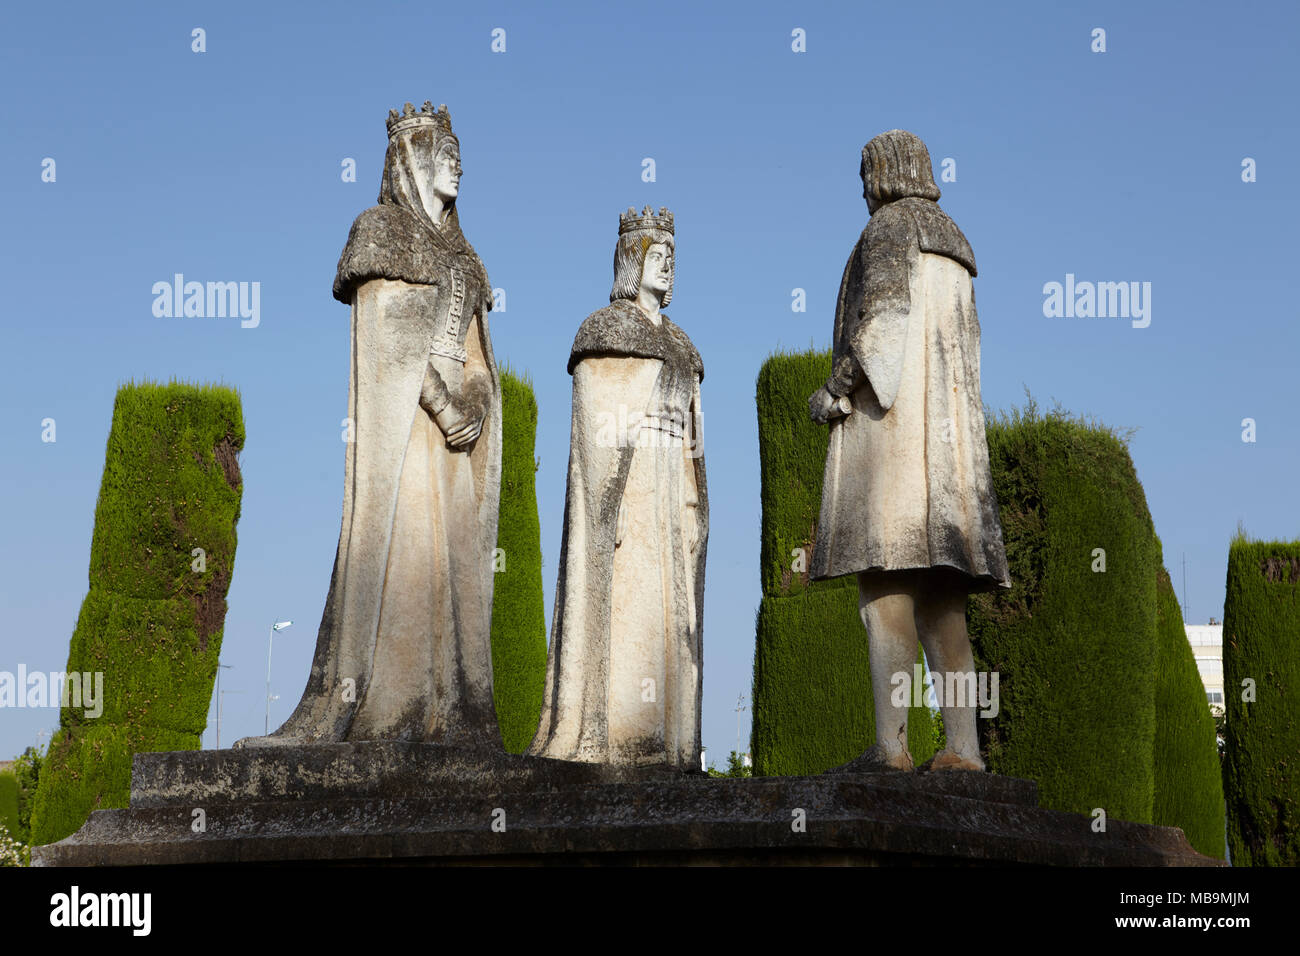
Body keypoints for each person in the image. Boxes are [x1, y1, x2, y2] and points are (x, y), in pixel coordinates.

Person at [238, 102, 503, 748]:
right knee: (403, 553)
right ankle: (394, 708)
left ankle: (450, 714)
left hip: (455, 441)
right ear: (410, 159)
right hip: (409, 429)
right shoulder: (382, 232)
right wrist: (443, 406)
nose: (456, 164)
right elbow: (390, 339)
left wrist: (474, 403)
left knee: (451, 573)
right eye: (445, 153)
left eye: (460, 154)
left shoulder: (467, 260)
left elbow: (477, 353)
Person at [808, 130, 1011, 772]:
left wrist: (834, 391)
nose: (866, 187)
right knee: (944, 606)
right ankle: (964, 750)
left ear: (886, 174)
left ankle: (891, 747)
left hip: (894, 450)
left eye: (868, 173)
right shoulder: (956, 245)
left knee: (885, 593)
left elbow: (882, 333)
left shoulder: (889, 231)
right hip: (948, 464)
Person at [529, 206, 707, 770]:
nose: (668, 267)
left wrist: (693, 502)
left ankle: (671, 746)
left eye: (673, 258)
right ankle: (615, 738)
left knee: (671, 623)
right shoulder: (605, 332)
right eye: (658, 257)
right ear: (632, 262)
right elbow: (594, 434)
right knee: (627, 613)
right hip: (631, 491)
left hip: (671, 494)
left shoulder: (683, 347)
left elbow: (696, 439)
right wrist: (610, 506)